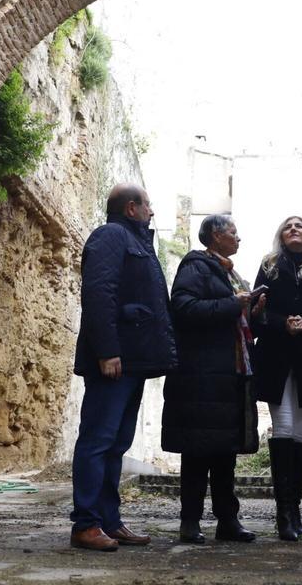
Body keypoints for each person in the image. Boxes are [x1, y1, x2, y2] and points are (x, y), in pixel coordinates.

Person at [69, 184, 177, 552]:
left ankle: (109, 521)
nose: (153, 210)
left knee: (116, 444)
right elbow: (99, 293)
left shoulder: (138, 243)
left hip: (133, 361)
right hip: (114, 360)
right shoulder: (111, 236)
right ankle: (86, 523)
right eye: (148, 204)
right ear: (132, 208)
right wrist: (108, 350)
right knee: (97, 442)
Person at [162, 214, 262, 544]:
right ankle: (189, 522)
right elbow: (184, 307)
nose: (238, 238)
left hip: (228, 375)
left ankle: (227, 521)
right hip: (200, 376)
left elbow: (235, 319)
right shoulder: (196, 266)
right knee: (196, 453)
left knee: (225, 453)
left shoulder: (229, 272)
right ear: (216, 236)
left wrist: (252, 309)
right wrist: (233, 303)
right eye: (233, 232)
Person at [251, 215, 302, 541]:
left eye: (299, 226)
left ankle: (296, 511)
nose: (293, 230)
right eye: (287, 226)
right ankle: (283, 514)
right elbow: (256, 312)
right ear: (281, 236)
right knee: (283, 427)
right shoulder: (269, 266)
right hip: (275, 356)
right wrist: (282, 322)